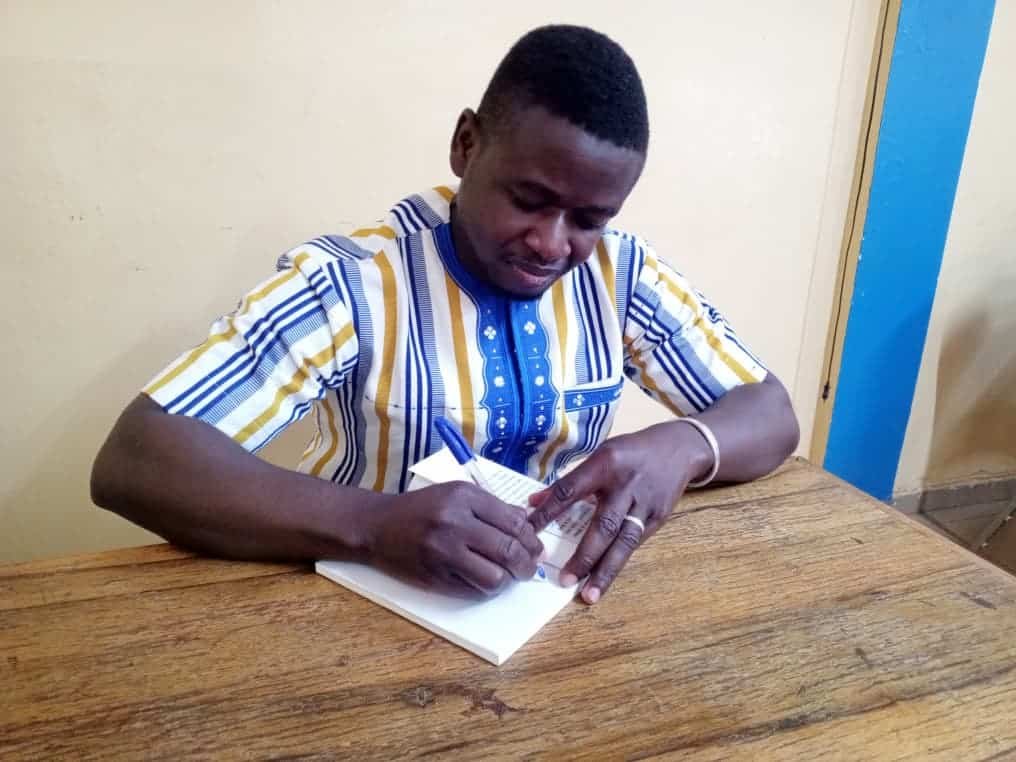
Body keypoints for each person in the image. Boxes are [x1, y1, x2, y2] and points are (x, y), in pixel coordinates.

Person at [91, 24, 799, 605]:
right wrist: (373, 525)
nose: (552, 243)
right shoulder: (352, 282)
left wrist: (685, 444)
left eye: (588, 219)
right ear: (466, 145)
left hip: (544, 610)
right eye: (528, 200)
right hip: (354, 605)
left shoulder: (619, 274)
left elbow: (771, 412)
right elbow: (137, 457)